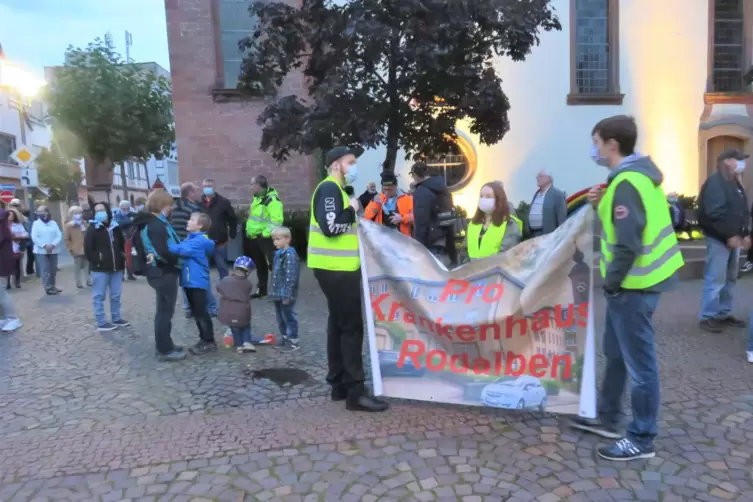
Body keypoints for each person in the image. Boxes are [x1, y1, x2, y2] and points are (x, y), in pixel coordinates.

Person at [570, 115, 683, 461]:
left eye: (596, 141)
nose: (594, 148)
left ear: (611, 144)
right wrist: (596, 203)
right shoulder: (631, 179)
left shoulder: (627, 183)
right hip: (636, 284)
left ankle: (641, 437)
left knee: (640, 364)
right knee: (616, 353)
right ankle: (607, 417)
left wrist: (612, 283)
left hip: (634, 286)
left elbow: (627, 242)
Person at [309, 145, 388, 412]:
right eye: (350, 162)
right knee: (352, 328)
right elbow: (331, 227)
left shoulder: (336, 190)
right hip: (337, 270)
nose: (354, 166)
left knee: (338, 325)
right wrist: (353, 207)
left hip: (336, 268)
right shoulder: (330, 188)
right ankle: (356, 391)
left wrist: (362, 198)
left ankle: (339, 384)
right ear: (336, 165)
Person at [696, 148, 751, 333]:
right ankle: (707, 316)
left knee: (730, 278)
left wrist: (744, 233)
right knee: (716, 278)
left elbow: (741, 211)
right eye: (740, 159)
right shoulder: (716, 182)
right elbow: (714, 214)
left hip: (732, 238)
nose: (744, 163)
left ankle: (723, 313)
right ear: (727, 161)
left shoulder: (733, 181)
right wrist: (729, 236)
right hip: (719, 239)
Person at [134, 191, 186, 361]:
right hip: (163, 272)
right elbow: (162, 251)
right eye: (169, 205)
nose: (171, 208)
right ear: (163, 205)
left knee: (164, 311)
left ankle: (166, 344)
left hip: (162, 271)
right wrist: (177, 260)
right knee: (165, 312)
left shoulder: (156, 222)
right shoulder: (155, 225)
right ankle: (164, 349)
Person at [167, 212, 218, 355]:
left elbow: (180, 249)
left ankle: (209, 341)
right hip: (190, 281)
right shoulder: (192, 238)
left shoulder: (199, 241)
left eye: (192, 220)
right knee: (197, 312)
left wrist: (162, 244)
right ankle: (204, 339)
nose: (188, 221)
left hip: (196, 281)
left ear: (199, 225)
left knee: (201, 313)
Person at [171, 182, 218, 318]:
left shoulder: (174, 208)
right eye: (196, 191)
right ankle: (211, 307)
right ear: (190, 193)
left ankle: (188, 308)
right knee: (201, 276)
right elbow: (201, 226)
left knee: (185, 277)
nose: (199, 194)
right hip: (192, 245)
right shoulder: (193, 209)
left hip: (181, 245)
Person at [84, 202, 130, 332]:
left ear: (108, 211)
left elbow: (121, 245)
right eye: (97, 210)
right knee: (99, 296)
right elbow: (88, 250)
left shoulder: (115, 227)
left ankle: (116, 318)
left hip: (117, 267)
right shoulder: (92, 229)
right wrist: (98, 261)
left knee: (116, 295)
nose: (100, 213)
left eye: (102, 210)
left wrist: (122, 258)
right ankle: (101, 322)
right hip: (100, 269)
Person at [245, 175, 283, 299]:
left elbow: (277, 221)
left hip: (265, 238)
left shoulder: (272, 200)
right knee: (260, 266)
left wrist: (265, 234)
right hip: (255, 237)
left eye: (252, 184)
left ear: (258, 185)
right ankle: (262, 290)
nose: (250, 187)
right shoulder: (256, 199)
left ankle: (280, 292)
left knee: (273, 266)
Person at [466, 181, 522, 259]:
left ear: (499, 200)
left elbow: (507, 255)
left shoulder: (509, 224)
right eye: (481, 196)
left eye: (488, 197)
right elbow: (466, 253)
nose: (483, 199)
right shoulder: (473, 224)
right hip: (473, 270)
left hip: (496, 269)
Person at [410, 161, 454, 257]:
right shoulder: (443, 187)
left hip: (430, 240)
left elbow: (421, 220)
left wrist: (418, 244)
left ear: (415, 175)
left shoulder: (422, 191)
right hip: (444, 236)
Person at [269, 226, 300, 352]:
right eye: (274, 239)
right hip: (277, 292)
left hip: (285, 293)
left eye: (277, 239)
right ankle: (285, 336)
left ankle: (293, 340)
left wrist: (287, 294)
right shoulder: (278, 254)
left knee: (288, 316)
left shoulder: (290, 255)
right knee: (280, 317)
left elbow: (291, 276)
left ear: (287, 239)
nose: (275, 242)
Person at [217, 256, 257, 353]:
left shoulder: (225, 280)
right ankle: (246, 342)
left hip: (228, 312)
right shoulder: (247, 284)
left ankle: (238, 344)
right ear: (248, 272)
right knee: (246, 326)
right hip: (243, 312)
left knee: (234, 328)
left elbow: (218, 288)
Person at [201, 178, 238, 281]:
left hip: (219, 242)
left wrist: (232, 233)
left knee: (222, 267)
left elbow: (232, 219)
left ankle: (226, 289)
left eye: (209, 186)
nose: (207, 188)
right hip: (203, 241)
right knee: (203, 268)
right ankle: (203, 290)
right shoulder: (198, 203)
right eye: (205, 186)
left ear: (214, 187)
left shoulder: (223, 202)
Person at [364, 172, 414, 236]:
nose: (387, 192)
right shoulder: (378, 198)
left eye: (390, 189)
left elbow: (415, 216)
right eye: (385, 189)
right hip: (382, 236)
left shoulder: (408, 199)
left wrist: (402, 218)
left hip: (402, 238)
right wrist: (376, 204)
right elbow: (367, 216)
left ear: (396, 186)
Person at [31, 205, 62, 296]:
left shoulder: (53, 223)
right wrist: (44, 245)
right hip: (41, 251)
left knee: (53, 269)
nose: (39, 214)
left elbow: (58, 235)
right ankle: (47, 287)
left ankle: (53, 286)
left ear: (47, 212)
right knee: (45, 269)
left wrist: (53, 244)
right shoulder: (36, 224)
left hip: (53, 249)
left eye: (41, 211)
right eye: (38, 212)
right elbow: (34, 237)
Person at [0, 207, 22, 332]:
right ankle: (3, 318)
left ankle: (12, 318)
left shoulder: (1, 220)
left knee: (0, 291)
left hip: (2, 262)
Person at [527, 169, 567, 237]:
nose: (538, 179)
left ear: (549, 178)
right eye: (537, 177)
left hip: (549, 235)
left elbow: (561, 218)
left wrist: (560, 235)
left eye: (540, 176)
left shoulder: (557, 195)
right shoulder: (536, 195)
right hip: (534, 235)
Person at [64, 206, 91, 289]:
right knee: (78, 266)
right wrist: (71, 248)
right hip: (76, 249)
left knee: (87, 265)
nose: (78, 215)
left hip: (86, 248)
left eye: (80, 213)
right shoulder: (69, 225)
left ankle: (88, 280)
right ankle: (78, 282)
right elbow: (66, 239)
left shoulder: (85, 223)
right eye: (76, 213)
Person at [113, 200, 137, 280]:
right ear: (120, 208)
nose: (126, 210)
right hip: (120, 239)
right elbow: (119, 223)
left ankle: (130, 274)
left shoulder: (132, 214)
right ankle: (121, 275)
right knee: (121, 257)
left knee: (129, 257)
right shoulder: (117, 215)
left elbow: (137, 220)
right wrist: (131, 221)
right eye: (124, 209)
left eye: (127, 209)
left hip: (129, 238)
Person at [12, 199, 34, 277]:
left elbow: (26, 232)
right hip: (19, 242)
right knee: (15, 261)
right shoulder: (15, 219)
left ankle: (20, 277)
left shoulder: (23, 221)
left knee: (20, 260)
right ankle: (20, 276)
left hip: (24, 242)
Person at [7, 207, 27, 289]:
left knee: (17, 266)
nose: (10, 216)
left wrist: (18, 237)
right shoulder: (3, 224)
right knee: (7, 266)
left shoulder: (18, 225)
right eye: (9, 215)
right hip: (6, 248)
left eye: (12, 215)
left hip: (17, 247)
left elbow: (25, 234)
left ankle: (17, 282)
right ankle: (7, 283)